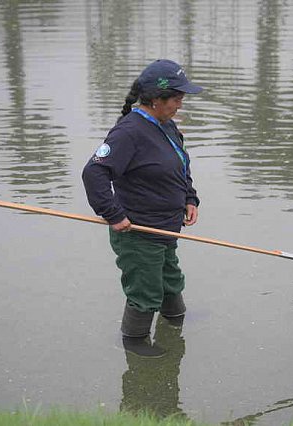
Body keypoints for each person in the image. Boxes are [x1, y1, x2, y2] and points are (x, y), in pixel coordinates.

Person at [82, 59, 203, 358]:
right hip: (138, 232)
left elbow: (180, 164)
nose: (180, 105)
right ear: (156, 99)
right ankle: (134, 342)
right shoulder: (129, 133)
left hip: (165, 228)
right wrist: (114, 214)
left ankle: (174, 320)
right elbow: (93, 173)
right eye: (176, 99)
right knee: (144, 291)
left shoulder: (167, 125)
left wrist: (190, 198)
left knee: (170, 280)